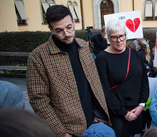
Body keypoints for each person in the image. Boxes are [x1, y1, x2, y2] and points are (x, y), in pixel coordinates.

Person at [26, 5, 109, 137]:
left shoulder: (82, 46)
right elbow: (39, 101)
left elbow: (94, 83)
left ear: (73, 22)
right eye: (59, 30)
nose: (66, 34)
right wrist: (61, 133)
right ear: (50, 29)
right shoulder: (38, 57)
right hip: (69, 130)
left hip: (95, 125)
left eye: (69, 27)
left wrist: (99, 115)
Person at [95, 19, 149, 137]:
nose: (119, 40)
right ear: (108, 38)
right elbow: (104, 91)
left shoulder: (135, 54)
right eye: (114, 37)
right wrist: (124, 113)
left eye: (121, 36)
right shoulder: (101, 58)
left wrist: (141, 105)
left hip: (137, 110)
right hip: (117, 113)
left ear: (125, 36)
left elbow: (144, 81)